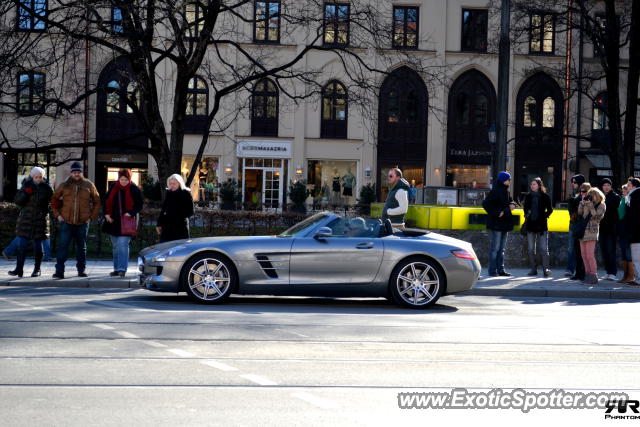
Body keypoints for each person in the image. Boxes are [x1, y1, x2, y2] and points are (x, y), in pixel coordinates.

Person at [51, 161, 101, 279]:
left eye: (78, 172)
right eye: (74, 172)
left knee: (81, 248)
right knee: (63, 247)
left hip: (83, 222)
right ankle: (59, 272)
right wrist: (58, 214)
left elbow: (97, 201)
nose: (77, 174)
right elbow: (54, 200)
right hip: (66, 222)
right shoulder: (64, 185)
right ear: (71, 173)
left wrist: (91, 217)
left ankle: (81, 270)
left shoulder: (89, 185)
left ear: (81, 172)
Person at [8, 167, 54, 278]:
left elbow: (53, 202)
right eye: (36, 177)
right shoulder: (26, 185)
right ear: (32, 177)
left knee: (38, 247)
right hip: (26, 221)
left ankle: (37, 269)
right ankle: (19, 269)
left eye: (40, 177)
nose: (38, 179)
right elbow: (17, 201)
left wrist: (47, 210)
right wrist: (26, 193)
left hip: (40, 221)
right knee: (22, 246)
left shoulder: (47, 188)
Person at [103, 168, 144, 277]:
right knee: (115, 247)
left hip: (126, 222)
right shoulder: (113, 187)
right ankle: (116, 269)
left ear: (129, 179)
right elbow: (106, 202)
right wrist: (106, 214)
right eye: (121, 179)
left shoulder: (134, 189)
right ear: (118, 178)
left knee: (122, 245)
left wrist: (130, 213)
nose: (123, 181)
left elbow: (139, 205)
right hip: (113, 222)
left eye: (126, 179)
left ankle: (122, 269)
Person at [482, 171, 516, 277]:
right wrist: (497, 213)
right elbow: (485, 203)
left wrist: (512, 205)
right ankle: (492, 271)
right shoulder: (496, 191)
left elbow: (512, 202)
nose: (510, 181)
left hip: (504, 223)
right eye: (508, 179)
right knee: (495, 249)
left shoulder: (506, 191)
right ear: (503, 180)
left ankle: (500, 270)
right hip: (497, 224)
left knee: (501, 249)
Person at [523, 177, 553, 277]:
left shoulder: (545, 196)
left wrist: (544, 216)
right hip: (531, 226)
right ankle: (533, 269)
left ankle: (546, 269)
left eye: (534, 184)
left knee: (544, 249)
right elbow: (525, 209)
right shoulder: (528, 196)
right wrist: (527, 214)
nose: (532, 186)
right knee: (531, 249)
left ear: (539, 185)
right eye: (531, 184)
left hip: (542, 226)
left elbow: (550, 209)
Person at [577, 185, 606, 285]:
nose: (589, 197)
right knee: (584, 255)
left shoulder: (601, 205)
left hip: (592, 232)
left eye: (591, 195)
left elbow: (596, 217)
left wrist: (589, 205)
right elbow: (580, 213)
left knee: (590, 255)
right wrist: (582, 203)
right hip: (583, 232)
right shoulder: (588, 203)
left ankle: (594, 275)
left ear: (596, 196)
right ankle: (587, 274)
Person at [156, 174, 194, 243]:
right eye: (170, 183)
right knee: (164, 249)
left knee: (179, 251)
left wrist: (178, 216)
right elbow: (163, 209)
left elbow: (191, 211)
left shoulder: (186, 193)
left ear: (179, 183)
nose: (171, 185)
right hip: (167, 227)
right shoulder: (169, 193)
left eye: (174, 183)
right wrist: (159, 223)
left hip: (180, 227)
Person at [598, 178, 620, 280]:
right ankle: (608, 271)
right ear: (602, 187)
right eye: (604, 185)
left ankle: (613, 273)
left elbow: (618, 214)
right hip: (602, 229)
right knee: (604, 251)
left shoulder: (615, 197)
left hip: (611, 229)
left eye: (608, 185)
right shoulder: (600, 197)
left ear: (611, 186)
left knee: (611, 251)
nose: (606, 187)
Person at [569, 179, 589, 281]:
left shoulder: (592, 201)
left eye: (585, 191)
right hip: (578, 228)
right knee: (577, 251)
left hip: (588, 230)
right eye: (581, 191)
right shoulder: (576, 200)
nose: (582, 193)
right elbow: (574, 214)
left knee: (586, 253)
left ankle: (586, 273)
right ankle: (578, 273)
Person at [565, 174, 585, 277]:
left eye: (575, 182)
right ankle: (570, 269)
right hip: (573, 224)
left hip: (580, 226)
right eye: (572, 182)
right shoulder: (573, 195)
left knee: (580, 249)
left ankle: (579, 270)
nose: (573, 184)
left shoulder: (584, 195)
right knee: (571, 248)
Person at [617, 184, 634, 283]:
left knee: (628, 254)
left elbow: (624, 213)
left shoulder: (627, 199)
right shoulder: (622, 199)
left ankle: (630, 276)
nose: (624, 193)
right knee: (624, 253)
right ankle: (625, 275)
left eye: (626, 191)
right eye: (623, 191)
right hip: (622, 229)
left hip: (627, 230)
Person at [626, 178, 640, 286]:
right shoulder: (633, 196)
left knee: (637, 257)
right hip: (635, 231)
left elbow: (629, 214)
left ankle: (638, 278)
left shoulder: (634, 196)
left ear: (634, 186)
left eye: (629, 185)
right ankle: (636, 277)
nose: (627, 186)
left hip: (636, 232)